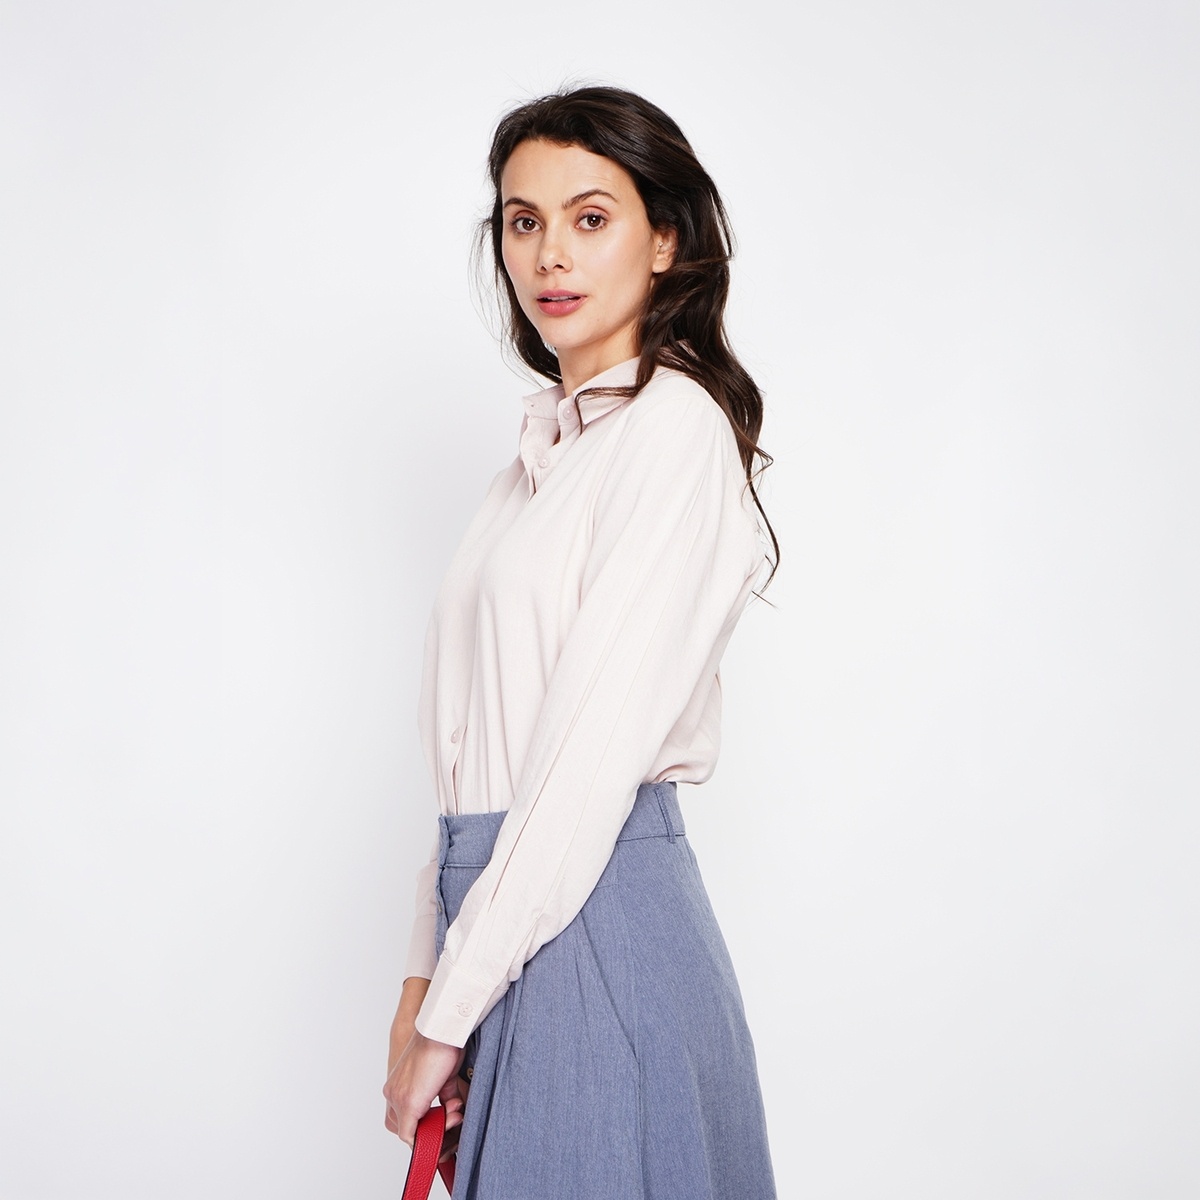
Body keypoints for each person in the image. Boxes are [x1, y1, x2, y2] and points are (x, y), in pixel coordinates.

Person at [382, 85, 779, 1199]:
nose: (550, 252)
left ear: (665, 239)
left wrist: (444, 1015)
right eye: (524, 221)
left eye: (590, 217)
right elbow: (472, 762)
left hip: (595, 925)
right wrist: (421, 987)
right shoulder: (524, 475)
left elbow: (579, 773)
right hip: (504, 928)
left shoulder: (674, 433)